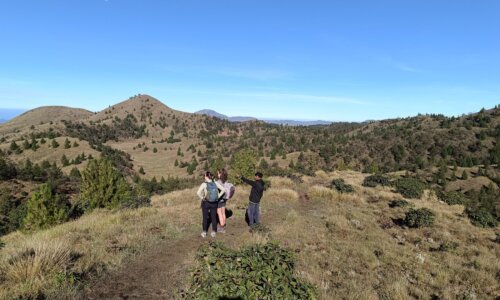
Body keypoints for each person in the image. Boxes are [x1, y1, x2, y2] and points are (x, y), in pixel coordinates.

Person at [197, 171, 226, 238]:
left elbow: (198, 193)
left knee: (205, 217)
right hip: (214, 203)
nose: (204, 177)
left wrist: (203, 198)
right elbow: (223, 190)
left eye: (204, 176)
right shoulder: (215, 183)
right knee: (213, 217)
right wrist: (218, 197)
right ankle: (213, 232)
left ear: (207, 177)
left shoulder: (204, 184)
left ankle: (204, 232)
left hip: (206, 202)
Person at [216, 169, 235, 233]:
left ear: (221, 174)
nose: (217, 174)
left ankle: (221, 227)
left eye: (218, 173)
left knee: (219, 213)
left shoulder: (218, 182)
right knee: (223, 212)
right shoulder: (226, 181)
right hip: (225, 199)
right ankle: (223, 224)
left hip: (219, 199)